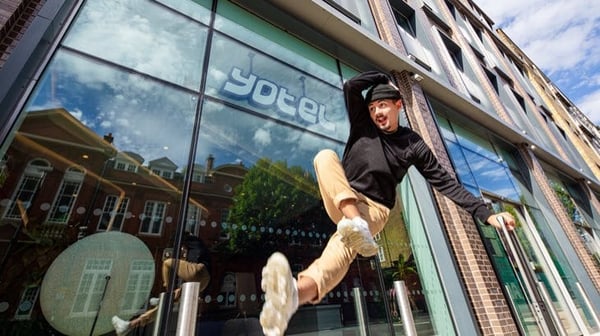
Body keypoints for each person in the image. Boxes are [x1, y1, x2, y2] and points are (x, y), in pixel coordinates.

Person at [258, 71, 516, 336]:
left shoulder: (412, 143)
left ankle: (295, 295)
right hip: (343, 198)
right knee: (324, 157)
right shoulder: (363, 125)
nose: (377, 112)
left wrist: (486, 214)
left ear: (398, 105)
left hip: (374, 210)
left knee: (340, 249)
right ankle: (354, 223)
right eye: (372, 107)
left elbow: (444, 181)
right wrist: (380, 76)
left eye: (382, 105)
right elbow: (350, 86)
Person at [112, 232, 211, 336]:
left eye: (184, 249)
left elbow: (182, 243)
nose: (183, 252)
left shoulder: (194, 241)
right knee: (164, 306)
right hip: (201, 282)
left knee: (167, 263)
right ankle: (129, 325)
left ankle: (168, 292)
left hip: (199, 270)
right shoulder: (197, 251)